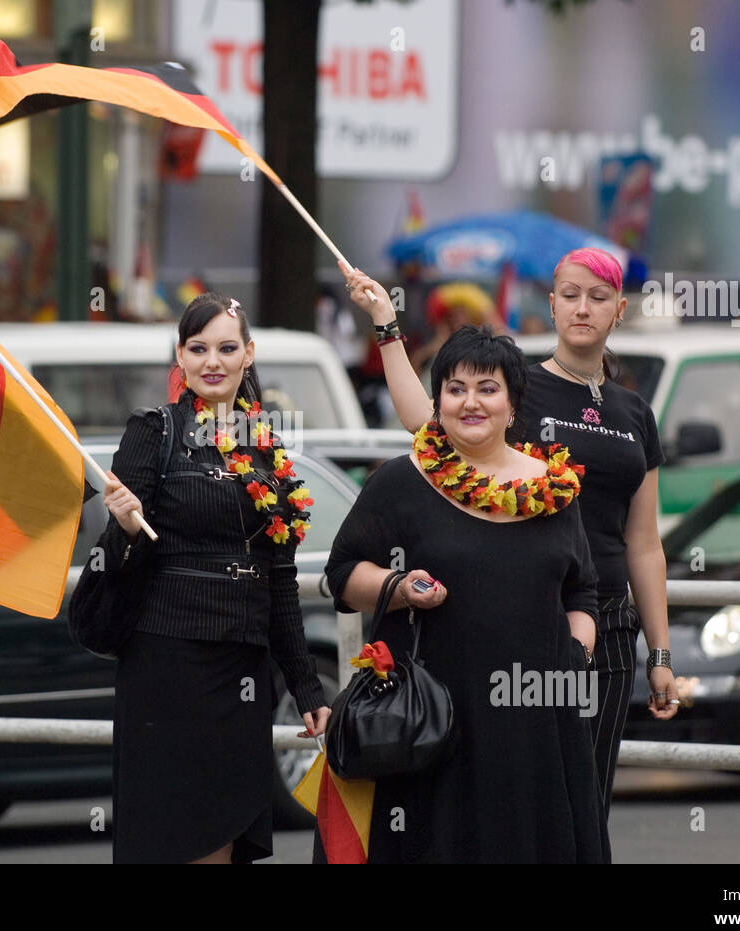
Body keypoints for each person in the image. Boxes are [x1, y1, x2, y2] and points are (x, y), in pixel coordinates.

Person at [341, 248, 679, 832]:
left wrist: (662, 654)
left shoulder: (634, 413)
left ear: (620, 310)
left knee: (583, 808)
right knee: (510, 803)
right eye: (569, 295)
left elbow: (644, 542)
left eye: (597, 297)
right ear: (549, 304)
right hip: (523, 630)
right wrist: (387, 328)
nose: (582, 308)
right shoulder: (514, 388)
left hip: (601, 626)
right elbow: (429, 422)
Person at [324, 326, 607, 863]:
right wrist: (398, 587)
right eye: (455, 389)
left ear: (512, 403)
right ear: (437, 403)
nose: (470, 402)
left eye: (487, 388)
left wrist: (576, 655)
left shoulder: (554, 486)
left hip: (538, 717)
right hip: (437, 715)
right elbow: (341, 575)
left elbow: (584, 591)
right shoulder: (399, 482)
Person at [99, 292, 331, 864]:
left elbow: (280, 578)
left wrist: (304, 684)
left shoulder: (268, 450)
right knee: (172, 836)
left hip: (241, 670)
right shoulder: (153, 431)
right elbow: (113, 563)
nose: (213, 361)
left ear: (248, 355)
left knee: (225, 831)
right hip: (166, 663)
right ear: (180, 356)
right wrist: (126, 529)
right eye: (198, 348)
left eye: (227, 348)